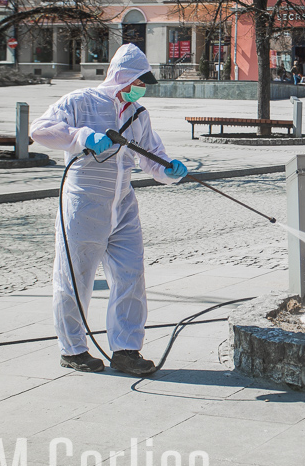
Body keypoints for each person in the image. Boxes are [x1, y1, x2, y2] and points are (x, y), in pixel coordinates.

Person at [30, 44, 190, 376]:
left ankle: (126, 350)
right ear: (121, 77)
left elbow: (150, 155)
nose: (141, 88)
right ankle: (73, 350)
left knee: (131, 275)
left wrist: (168, 170)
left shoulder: (138, 114)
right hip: (84, 204)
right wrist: (82, 137)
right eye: (138, 81)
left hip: (123, 205)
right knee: (76, 278)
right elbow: (40, 130)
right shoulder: (80, 102)